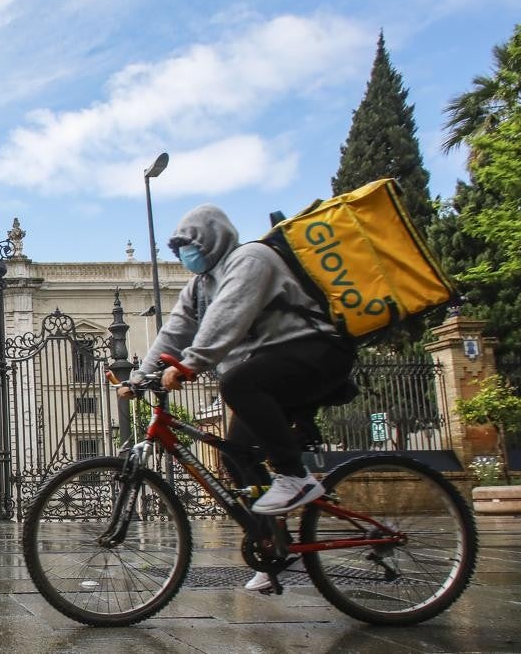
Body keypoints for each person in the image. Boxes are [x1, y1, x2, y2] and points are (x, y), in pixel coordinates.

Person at [118, 204, 355, 590]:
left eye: (189, 246)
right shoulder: (200, 286)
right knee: (236, 453)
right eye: (178, 250)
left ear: (213, 238)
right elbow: (175, 330)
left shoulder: (251, 258)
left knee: (237, 384)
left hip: (318, 352)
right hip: (275, 367)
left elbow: (224, 320)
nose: (184, 256)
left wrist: (189, 364)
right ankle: (274, 546)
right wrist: (141, 377)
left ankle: (296, 476)